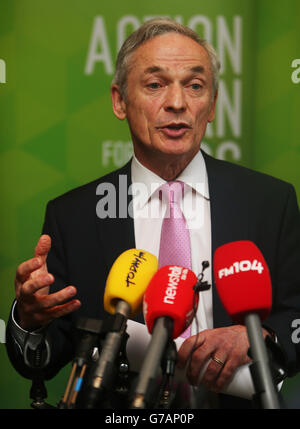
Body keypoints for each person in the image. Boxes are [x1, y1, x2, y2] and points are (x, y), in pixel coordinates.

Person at [6, 18, 300, 409]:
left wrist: (261, 337)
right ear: (119, 100)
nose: (177, 103)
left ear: (212, 105)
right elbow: (40, 362)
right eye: (155, 84)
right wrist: (29, 320)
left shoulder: (269, 201)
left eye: (195, 85)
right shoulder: (72, 217)